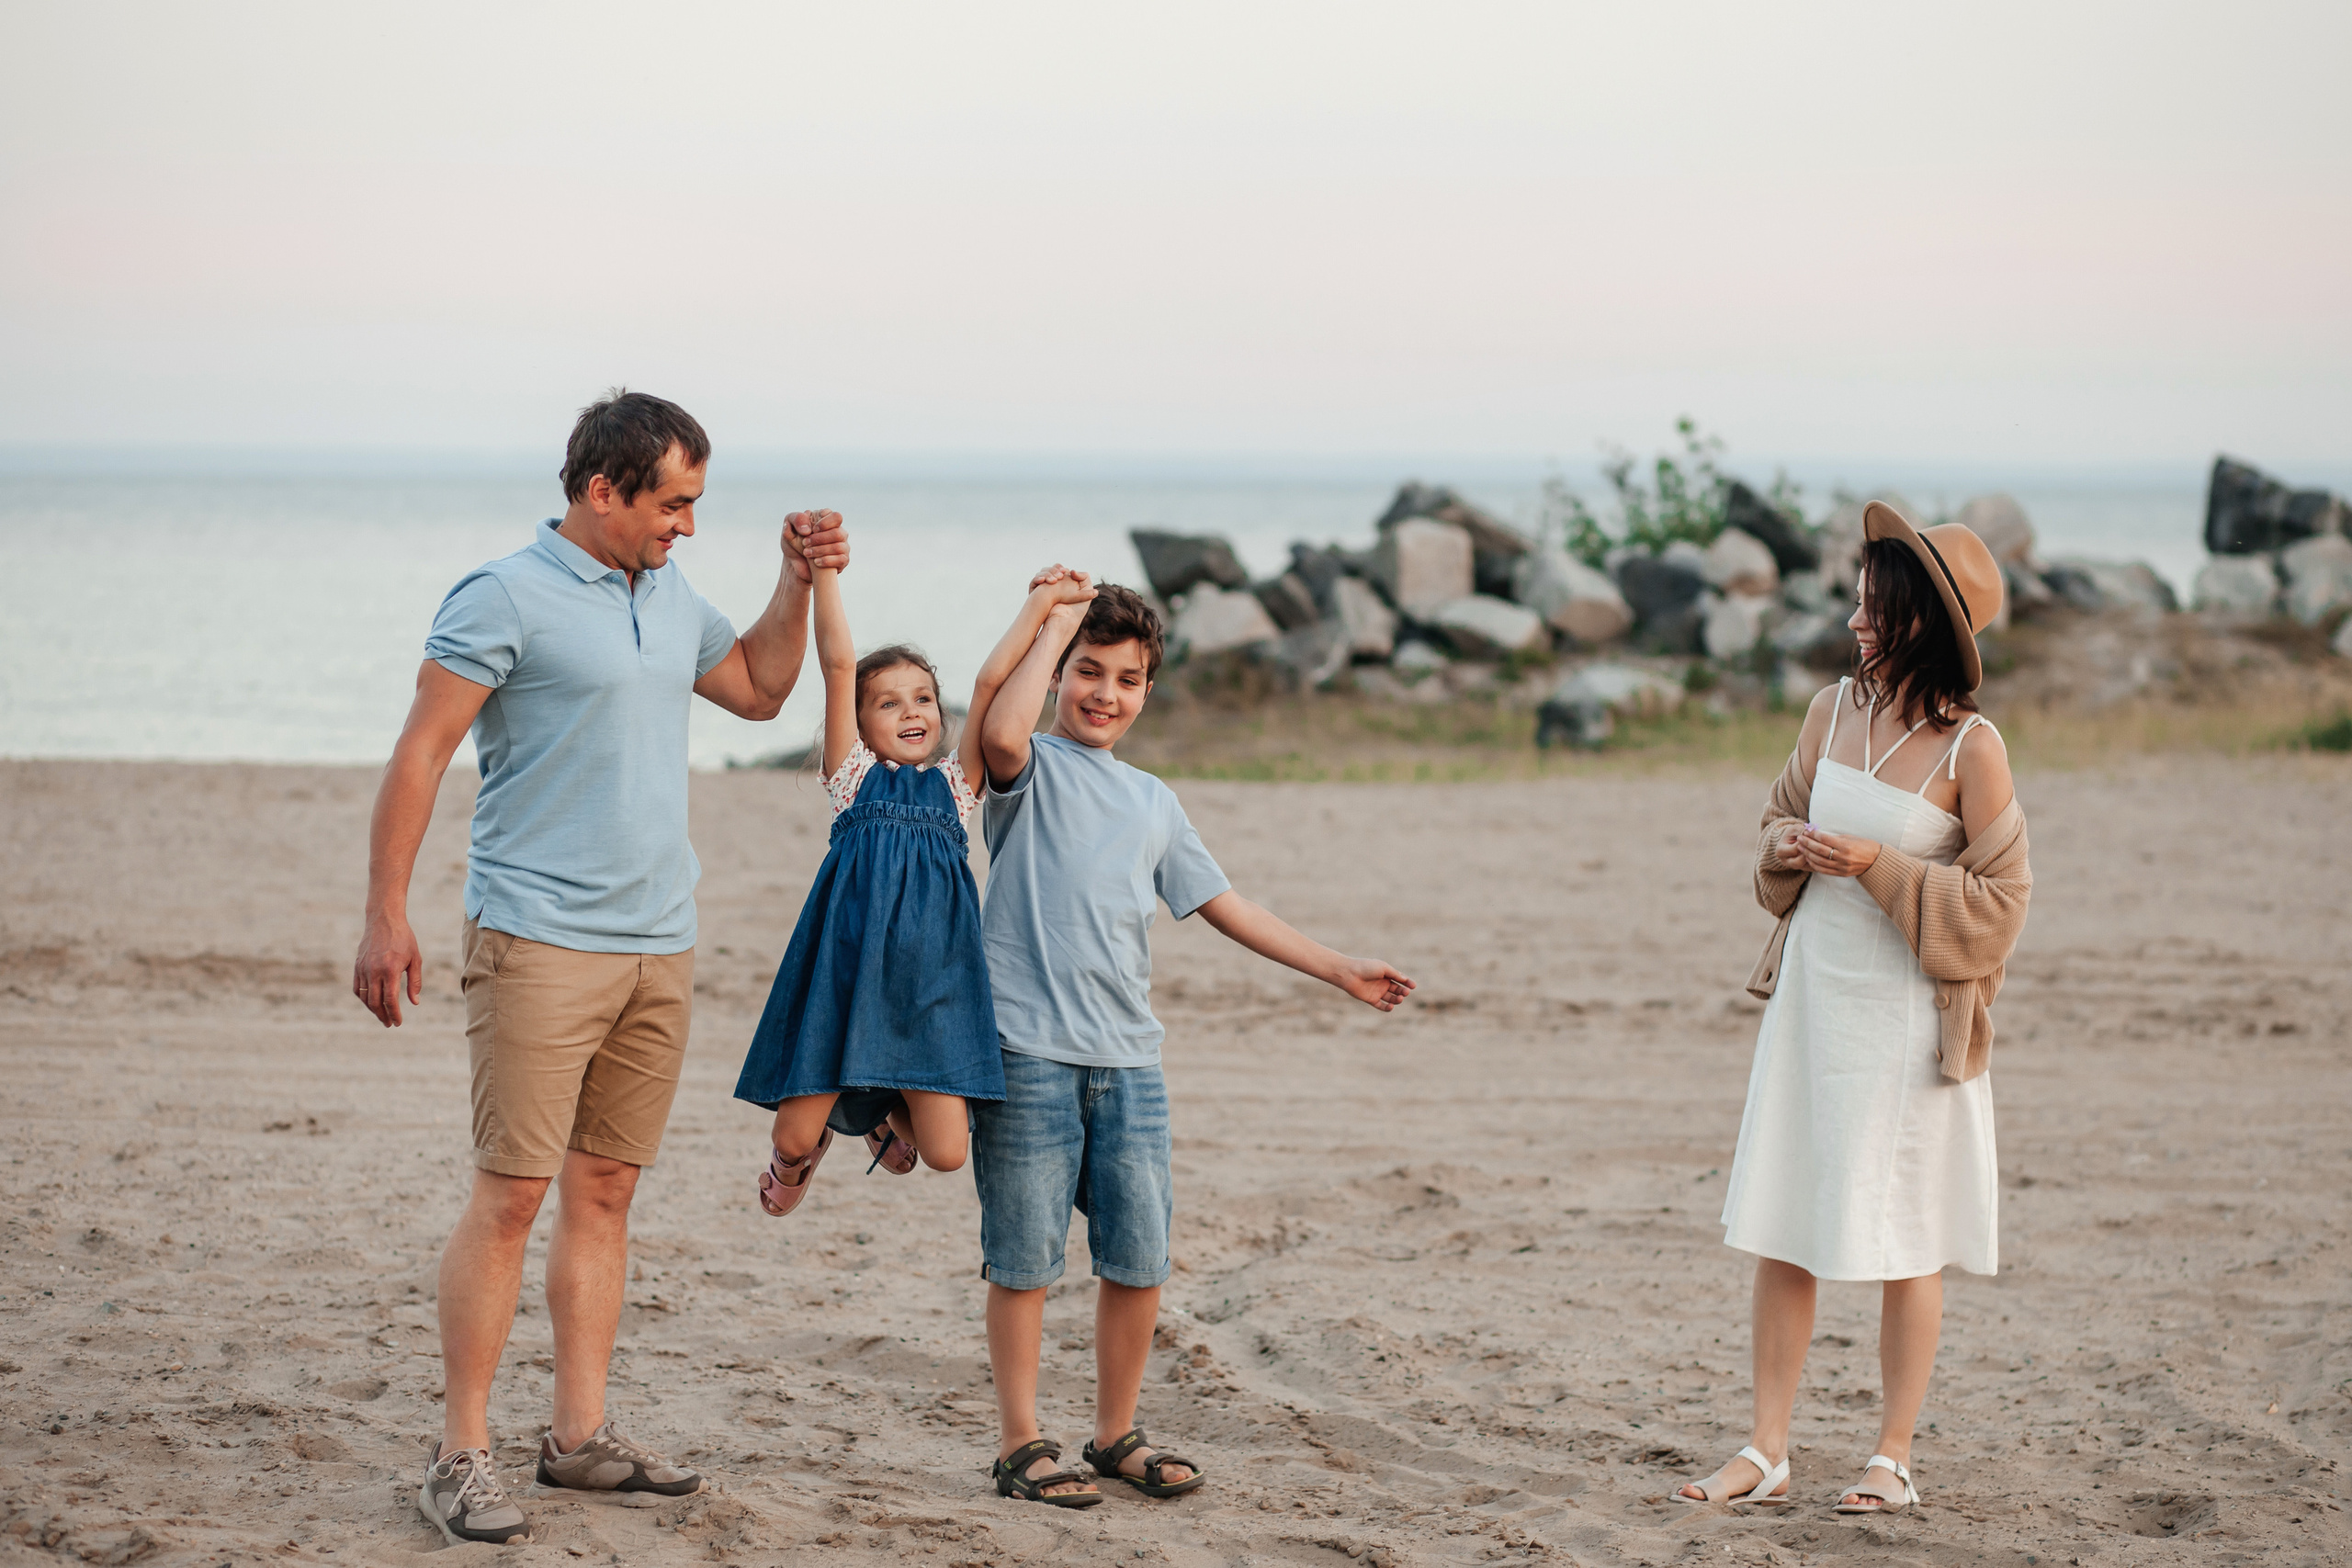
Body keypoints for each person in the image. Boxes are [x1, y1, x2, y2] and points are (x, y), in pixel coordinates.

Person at [349, 390, 849, 1547]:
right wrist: (386, 913)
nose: (686, 525)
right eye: (672, 503)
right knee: (512, 1196)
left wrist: (796, 578)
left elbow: (762, 691)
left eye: (698, 504)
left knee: (607, 1192)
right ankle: (459, 1453)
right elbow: (420, 755)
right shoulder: (501, 594)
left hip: (656, 941)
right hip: (536, 939)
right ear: (601, 491)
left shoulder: (668, 594)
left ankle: (578, 1439)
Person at [971, 582, 1417, 1507]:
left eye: (1129, 680)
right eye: (1087, 673)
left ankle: (1112, 1434)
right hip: (1028, 1055)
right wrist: (1052, 622)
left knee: (1138, 1260)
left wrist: (1338, 967)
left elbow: (1227, 905)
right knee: (1024, 1261)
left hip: (1129, 1061)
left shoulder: (1152, 799)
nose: (1106, 694)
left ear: (1147, 691)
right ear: (1055, 676)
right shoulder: (1029, 772)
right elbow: (1002, 733)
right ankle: (1021, 1444)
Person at [1679, 502, 2032, 1514]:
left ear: (1922, 618)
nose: (1853, 623)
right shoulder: (1829, 713)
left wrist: (1880, 867)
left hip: (1905, 1024)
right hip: (1811, 1007)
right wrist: (1784, 848)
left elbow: (2001, 908)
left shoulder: (1975, 749)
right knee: (1785, 1214)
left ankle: (1890, 1455)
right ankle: (1767, 1449)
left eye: (1872, 606)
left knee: (1901, 1232)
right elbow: (1775, 821)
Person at [733, 560, 1098, 1208]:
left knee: (947, 1154)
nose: (912, 711)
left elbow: (990, 681)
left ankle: (877, 1103)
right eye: (889, 702)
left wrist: (1048, 611)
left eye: (924, 698)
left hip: (932, 989)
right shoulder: (850, 780)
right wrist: (824, 574)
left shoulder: (957, 788)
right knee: (793, 1133)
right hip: (845, 983)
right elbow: (838, 663)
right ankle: (804, 1156)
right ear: (859, 722)